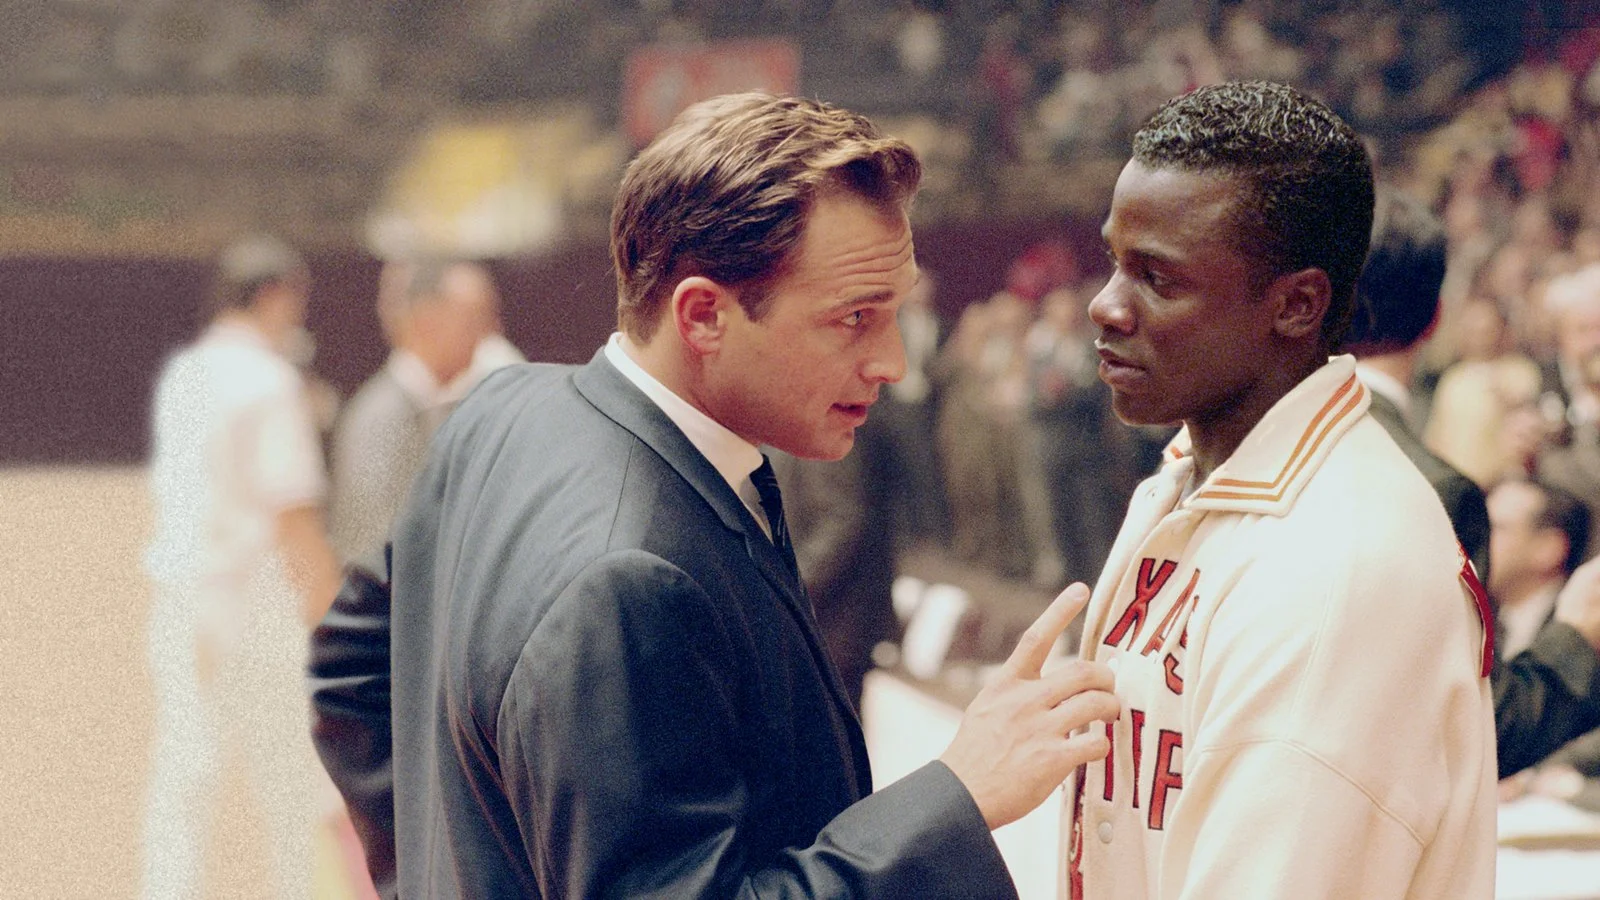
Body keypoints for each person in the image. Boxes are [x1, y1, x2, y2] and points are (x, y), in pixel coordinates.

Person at [310, 92, 1121, 899]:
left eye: (894, 314)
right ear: (703, 317)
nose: (891, 363)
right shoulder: (630, 583)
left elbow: (348, 671)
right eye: (854, 318)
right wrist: (957, 796)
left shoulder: (502, 407)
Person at [1066, 81, 1496, 898]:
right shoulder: (1193, 477)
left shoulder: (1339, 570)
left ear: (1297, 305)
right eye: (1116, 262)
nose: (1106, 306)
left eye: (1157, 278)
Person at [1347, 188, 1600, 778]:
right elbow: (1461, 727)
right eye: (1581, 329)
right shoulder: (1434, 489)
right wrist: (1580, 635)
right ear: (1436, 318)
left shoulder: (1236, 444)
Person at [142, 235, 342, 899]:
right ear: (274, 295)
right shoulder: (268, 380)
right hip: (253, 600)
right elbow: (293, 513)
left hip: (182, 593)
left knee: (184, 775)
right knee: (290, 780)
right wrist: (330, 610)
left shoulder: (185, 373)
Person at [328, 258, 502, 563]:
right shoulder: (382, 416)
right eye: (474, 319)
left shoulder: (438, 404)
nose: (489, 334)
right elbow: (371, 545)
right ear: (427, 321)